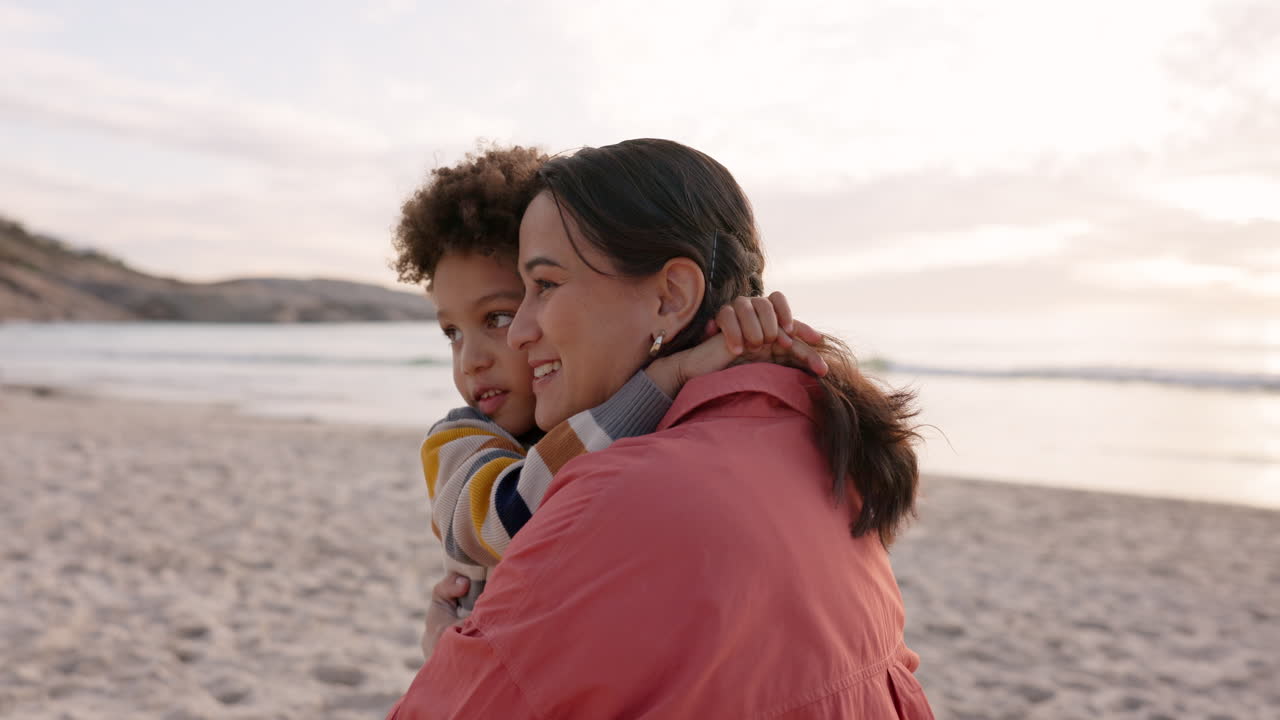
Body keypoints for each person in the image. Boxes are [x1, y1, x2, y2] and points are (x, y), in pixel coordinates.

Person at [390, 138, 934, 718]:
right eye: (451, 332)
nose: (516, 335)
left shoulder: (618, 491)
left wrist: (444, 655)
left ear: (673, 296)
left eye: (541, 288)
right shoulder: (807, 429)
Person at [393, 146, 828, 628]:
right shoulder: (459, 443)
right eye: (451, 333)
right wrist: (663, 377)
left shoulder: (642, 430)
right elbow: (509, 516)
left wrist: (742, 334)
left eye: (500, 315)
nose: (471, 361)